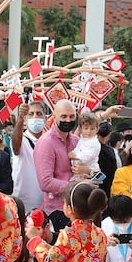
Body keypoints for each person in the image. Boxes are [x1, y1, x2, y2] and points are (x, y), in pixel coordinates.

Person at [34, 99, 85, 231]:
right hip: (57, 211)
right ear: (54, 117)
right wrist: (77, 186)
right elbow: (45, 182)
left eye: (72, 116)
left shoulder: (76, 141)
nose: (68, 120)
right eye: (63, 116)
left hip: (79, 208)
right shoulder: (46, 143)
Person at [11, 101, 47, 211]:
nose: (35, 117)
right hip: (23, 204)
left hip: (46, 204)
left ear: (45, 118)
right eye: (31, 114)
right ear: (26, 119)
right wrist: (20, 119)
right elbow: (16, 148)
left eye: (39, 114)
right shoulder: (22, 139)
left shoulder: (49, 141)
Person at [69, 111, 102, 178]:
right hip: (79, 171)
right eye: (86, 128)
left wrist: (75, 156)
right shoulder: (82, 139)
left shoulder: (94, 142)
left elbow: (87, 156)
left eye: (92, 129)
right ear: (81, 129)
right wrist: (72, 153)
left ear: (97, 129)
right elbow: (77, 150)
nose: (88, 131)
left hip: (90, 172)